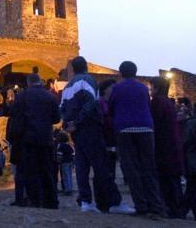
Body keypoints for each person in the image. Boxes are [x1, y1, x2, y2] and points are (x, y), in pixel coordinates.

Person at [60, 56, 133, 214]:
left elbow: (62, 108)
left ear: (72, 69)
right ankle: (114, 202)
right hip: (89, 128)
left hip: (76, 132)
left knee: (82, 167)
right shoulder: (88, 80)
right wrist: (78, 122)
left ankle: (86, 202)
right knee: (101, 166)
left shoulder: (67, 87)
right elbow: (91, 104)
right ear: (86, 66)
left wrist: (68, 125)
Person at [109, 61, 163, 217]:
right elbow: (146, 104)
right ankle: (155, 206)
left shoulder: (117, 88)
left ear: (120, 73)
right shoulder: (143, 88)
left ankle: (142, 205)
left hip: (125, 129)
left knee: (131, 169)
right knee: (149, 168)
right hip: (146, 129)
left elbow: (112, 107)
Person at [10, 73, 60, 209]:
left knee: (30, 171)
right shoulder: (50, 96)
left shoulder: (21, 97)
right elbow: (56, 118)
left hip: (28, 139)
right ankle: (51, 201)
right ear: (40, 82)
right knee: (47, 170)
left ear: (28, 83)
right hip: (45, 138)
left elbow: (14, 117)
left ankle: (35, 201)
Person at [149, 77, 184, 218]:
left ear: (156, 88)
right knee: (173, 182)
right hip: (171, 145)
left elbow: (154, 122)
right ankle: (176, 210)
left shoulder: (157, 102)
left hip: (163, 146)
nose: (150, 91)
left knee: (167, 181)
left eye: (151, 88)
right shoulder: (168, 102)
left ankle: (171, 210)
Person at [98, 79, 117, 180]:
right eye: (112, 87)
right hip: (105, 134)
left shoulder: (111, 102)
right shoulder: (101, 102)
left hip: (112, 135)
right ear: (105, 89)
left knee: (112, 158)